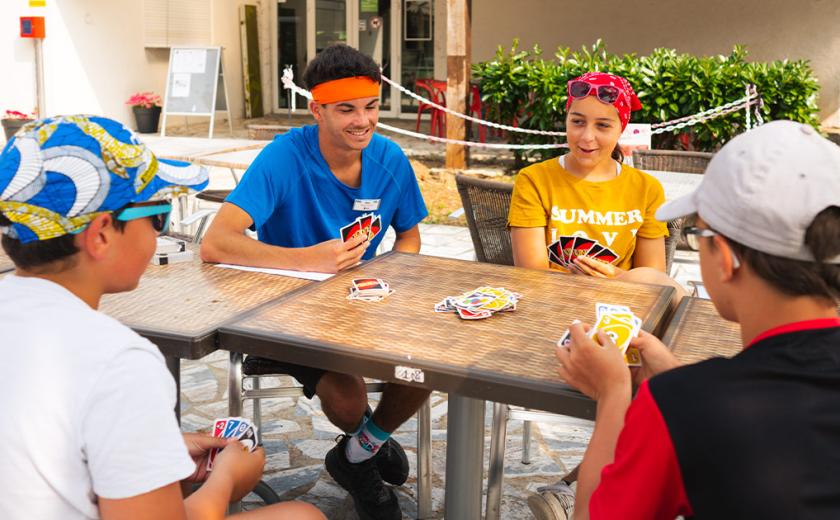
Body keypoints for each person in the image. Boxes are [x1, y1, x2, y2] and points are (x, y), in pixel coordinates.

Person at [0, 115, 324, 520]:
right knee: (302, 516)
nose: (161, 235)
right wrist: (227, 478)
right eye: (158, 215)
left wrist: (163, 444)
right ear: (101, 233)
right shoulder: (119, 362)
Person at [556, 120, 840, 519]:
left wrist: (613, 394)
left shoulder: (679, 407)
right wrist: (675, 374)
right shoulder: (689, 400)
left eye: (699, 235)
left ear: (724, 259)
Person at [200, 44, 429, 520]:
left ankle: (357, 455)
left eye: (370, 107)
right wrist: (309, 260)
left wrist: (383, 277)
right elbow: (216, 242)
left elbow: (409, 237)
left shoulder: (390, 158)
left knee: (431, 366)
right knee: (348, 400)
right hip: (287, 310)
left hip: (365, 307)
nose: (362, 121)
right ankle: (366, 448)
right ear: (316, 109)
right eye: (346, 109)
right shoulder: (284, 157)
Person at [508, 72, 682, 291]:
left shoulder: (647, 189)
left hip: (619, 308)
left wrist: (615, 276)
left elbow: (653, 282)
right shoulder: (533, 181)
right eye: (578, 122)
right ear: (566, 121)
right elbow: (530, 275)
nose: (587, 137)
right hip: (549, 305)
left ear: (621, 128)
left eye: (602, 125)